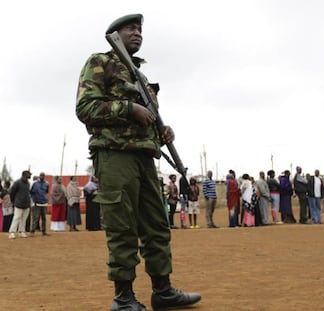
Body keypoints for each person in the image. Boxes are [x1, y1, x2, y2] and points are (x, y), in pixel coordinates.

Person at [76, 13, 201, 310]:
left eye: (140, 29)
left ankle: (163, 291)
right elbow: (85, 107)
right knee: (123, 227)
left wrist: (159, 133)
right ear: (116, 34)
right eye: (131, 28)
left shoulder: (140, 76)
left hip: (145, 157)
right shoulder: (100, 62)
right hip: (114, 155)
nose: (138, 33)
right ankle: (123, 298)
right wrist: (128, 108)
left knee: (157, 225)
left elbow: (145, 121)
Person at [8, 170, 32, 239]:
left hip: (26, 204)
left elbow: (28, 193)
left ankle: (21, 231)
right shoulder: (17, 182)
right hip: (18, 204)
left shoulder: (28, 183)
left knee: (24, 219)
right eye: (28, 175)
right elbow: (12, 192)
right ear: (24, 175)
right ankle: (12, 232)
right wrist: (13, 201)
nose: (29, 176)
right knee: (16, 218)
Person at [29, 172, 50, 236]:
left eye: (43, 176)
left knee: (44, 218)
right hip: (36, 203)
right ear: (39, 176)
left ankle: (44, 231)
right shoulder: (34, 183)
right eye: (41, 175)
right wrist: (33, 200)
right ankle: (32, 231)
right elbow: (30, 192)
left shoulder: (46, 183)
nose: (42, 177)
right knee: (35, 218)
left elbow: (46, 192)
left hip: (44, 203)